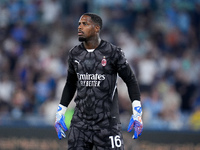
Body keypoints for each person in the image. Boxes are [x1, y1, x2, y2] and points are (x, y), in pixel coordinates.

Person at [54, 13, 143, 150]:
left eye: (85, 24)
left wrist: (137, 112)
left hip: (107, 124)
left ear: (96, 28)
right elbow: (71, 84)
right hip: (80, 124)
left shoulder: (113, 52)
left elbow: (131, 80)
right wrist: (60, 112)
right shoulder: (74, 54)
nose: (80, 27)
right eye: (79, 24)